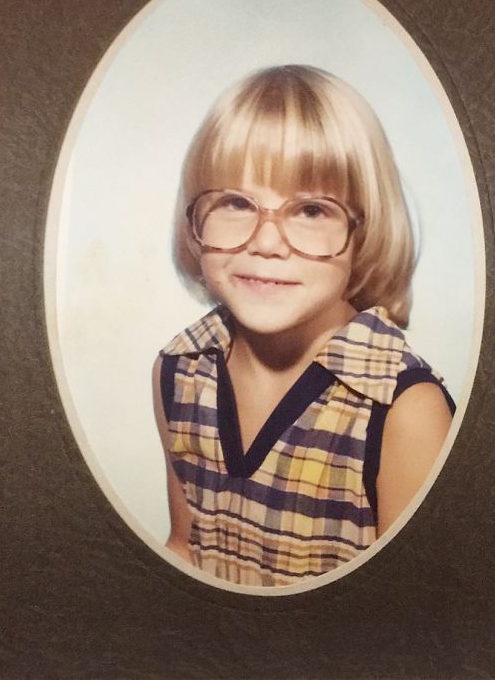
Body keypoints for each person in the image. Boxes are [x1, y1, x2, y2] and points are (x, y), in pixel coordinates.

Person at [152, 64, 454, 587]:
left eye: (312, 209)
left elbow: (408, 625)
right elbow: (185, 547)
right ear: (194, 221)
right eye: (237, 202)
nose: (267, 243)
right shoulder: (178, 372)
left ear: (366, 230)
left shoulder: (404, 411)